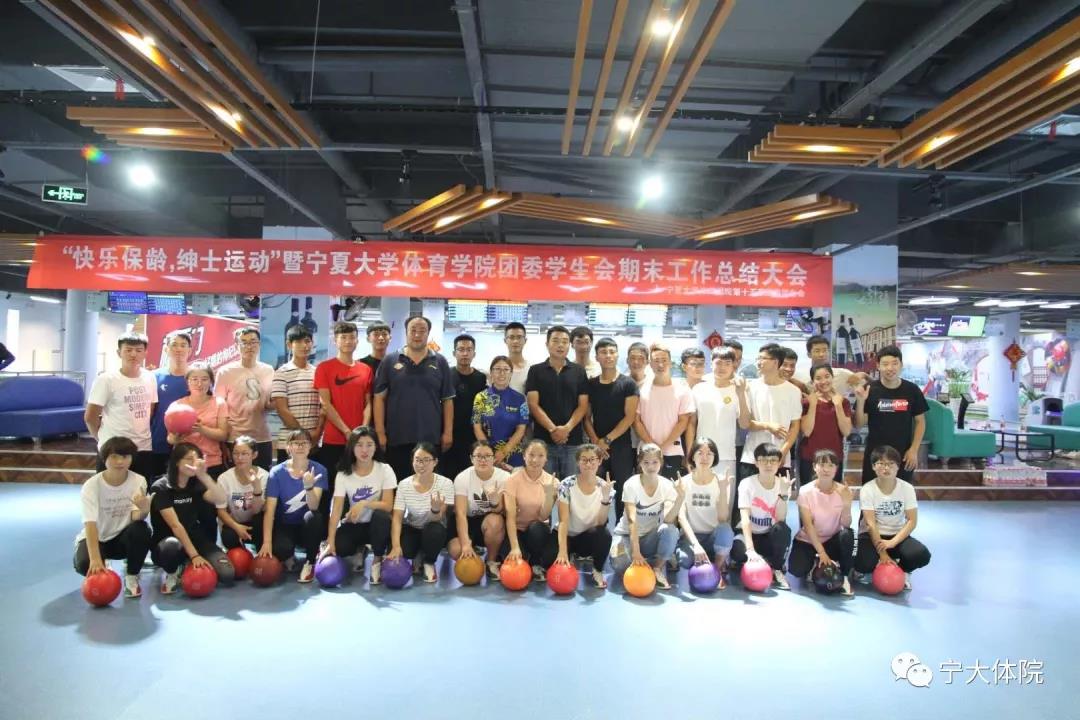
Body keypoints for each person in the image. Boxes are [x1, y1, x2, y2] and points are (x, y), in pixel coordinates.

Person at [373, 315, 455, 482]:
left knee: (428, 486)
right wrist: (380, 432)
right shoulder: (389, 361)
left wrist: (448, 432)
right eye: (413, 330)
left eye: (422, 331)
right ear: (406, 332)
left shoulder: (440, 362)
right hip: (397, 438)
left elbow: (448, 399)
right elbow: (379, 398)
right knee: (398, 486)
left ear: (428, 334)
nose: (417, 335)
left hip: (430, 439)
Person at [149, 443, 234, 594]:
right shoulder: (161, 487)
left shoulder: (196, 484)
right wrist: (195, 555)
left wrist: (204, 476)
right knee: (171, 547)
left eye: (197, 459)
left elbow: (220, 498)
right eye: (189, 459)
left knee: (227, 574)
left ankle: (186, 562)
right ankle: (174, 571)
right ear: (177, 461)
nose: (194, 463)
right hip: (168, 542)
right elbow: (175, 525)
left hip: (195, 537)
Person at [73, 436, 152, 599]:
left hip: (121, 539)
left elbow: (135, 517)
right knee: (84, 564)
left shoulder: (139, 481)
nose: (120, 462)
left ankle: (132, 576)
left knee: (142, 530)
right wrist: (95, 559)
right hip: (98, 538)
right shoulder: (91, 486)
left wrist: (144, 510)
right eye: (114, 456)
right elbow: (90, 524)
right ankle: (102, 560)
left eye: (125, 456)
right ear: (105, 458)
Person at [324, 426, 395, 584]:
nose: (364, 450)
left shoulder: (385, 469)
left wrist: (364, 503)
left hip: (376, 525)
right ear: (352, 447)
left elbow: (388, 505)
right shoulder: (343, 473)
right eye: (359, 445)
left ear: (375, 447)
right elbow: (336, 510)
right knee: (340, 546)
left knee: (382, 517)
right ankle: (359, 549)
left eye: (369, 445)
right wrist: (330, 540)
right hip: (354, 523)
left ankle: (377, 558)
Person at [854, 445, 931, 590]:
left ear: (898, 466)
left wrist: (892, 542)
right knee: (864, 564)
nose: (886, 468)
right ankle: (873, 565)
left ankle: (903, 571)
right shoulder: (867, 489)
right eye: (881, 463)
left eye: (891, 464)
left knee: (921, 555)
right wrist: (882, 553)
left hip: (896, 535)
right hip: (872, 536)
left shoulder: (907, 488)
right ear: (873, 467)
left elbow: (912, 521)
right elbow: (871, 524)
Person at [257, 429, 328, 584]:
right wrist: (267, 542)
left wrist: (309, 487)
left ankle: (310, 561)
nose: (300, 446)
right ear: (288, 447)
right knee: (280, 549)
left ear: (310, 446)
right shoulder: (276, 472)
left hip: (306, 526)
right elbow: (270, 510)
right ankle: (288, 556)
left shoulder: (319, 470)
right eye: (296, 443)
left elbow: (314, 506)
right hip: (285, 525)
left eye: (304, 443)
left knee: (314, 517)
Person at [85, 332, 158, 481]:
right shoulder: (106, 379)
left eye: (138, 350)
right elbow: (90, 417)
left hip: (143, 447)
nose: (133, 354)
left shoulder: (150, 377)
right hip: (113, 448)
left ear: (145, 353)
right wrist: (101, 438)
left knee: (140, 491)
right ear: (119, 353)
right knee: (108, 490)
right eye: (128, 350)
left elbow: (150, 410)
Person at [610, 443, 684, 589]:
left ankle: (657, 567)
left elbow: (668, 520)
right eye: (646, 462)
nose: (651, 467)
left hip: (650, 536)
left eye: (655, 462)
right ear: (640, 463)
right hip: (626, 535)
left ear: (661, 462)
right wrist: (635, 551)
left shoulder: (667, 485)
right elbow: (632, 520)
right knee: (619, 564)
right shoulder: (631, 484)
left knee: (671, 530)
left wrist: (680, 498)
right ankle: (658, 556)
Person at [854, 345, 928, 484]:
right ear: (878, 366)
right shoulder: (869, 390)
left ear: (901, 365)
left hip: (903, 455)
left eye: (894, 363)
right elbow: (858, 424)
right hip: (875, 455)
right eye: (885, 364)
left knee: (901, 493)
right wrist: (860, 401)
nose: (890, 368)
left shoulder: (912, 390)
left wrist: (914, 450)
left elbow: (920, 421)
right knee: (872, 493)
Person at [526, 325, 589, 480]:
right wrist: (553, 430)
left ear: (570, 345)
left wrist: (566, 429)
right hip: (543, 442)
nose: (560, 345)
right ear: (547, 344)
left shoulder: (579, 371)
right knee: (544, 486)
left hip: (573, 441)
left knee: (572, 486)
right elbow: (533, 404)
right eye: (555, 341)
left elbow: (583, 405)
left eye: (565, 341)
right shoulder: (535, 371)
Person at [584, 337, 638, 518]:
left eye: (612, 352)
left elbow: (629, 417)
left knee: (622, 490)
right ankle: (597, 528)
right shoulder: (591, 384)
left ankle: (623, 530)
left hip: (621, 447)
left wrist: (606, 441)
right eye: (603, 352)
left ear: (617, 355)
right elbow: (586, 418)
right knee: (596, 490)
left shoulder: (628, 383)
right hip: (596, 448)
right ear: (597, 357)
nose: (608, 355)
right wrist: (596, 443)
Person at [387, 442, 455, 583]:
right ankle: (417, 554)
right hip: (412, 527)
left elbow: (438, 518)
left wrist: (435, 509)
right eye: (417, 460)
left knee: (435, 531)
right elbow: (397, 518)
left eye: (426, 460)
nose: (421, 464)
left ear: (435, 462)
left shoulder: (446, 483)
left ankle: (429, 561)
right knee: (403, 551)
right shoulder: (404, 484)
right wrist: (396, 546)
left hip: (433, 528)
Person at [789, 449, 854, 596]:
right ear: (814, 467)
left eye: (831, 465)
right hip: (808, 540)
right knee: (796, 570)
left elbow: (846, 525)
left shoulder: (843, 491)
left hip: (832, 539)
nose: (826, 469)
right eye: (822, 464)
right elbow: (808, 525)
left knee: (848, 535)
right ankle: (814, 563)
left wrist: (847, 505)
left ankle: (844, 575)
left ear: (836, 468)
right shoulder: (805, 491)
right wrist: (821, 552)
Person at [730, 443, 794, 591]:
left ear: (779, 463)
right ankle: (757, 559)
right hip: (749, 534)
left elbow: (780, 519)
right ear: (756, 462)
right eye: (764, 460)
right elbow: (745, 518)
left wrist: (784, 494)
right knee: (737, 552)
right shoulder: (746, 483)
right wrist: (750, 548)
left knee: (782, 530)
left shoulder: (783, 484)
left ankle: (776, 568)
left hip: (768, 535)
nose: (768, 464)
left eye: (773, 460)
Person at [314, 321, 374, 476]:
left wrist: (362, 430)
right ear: (335, 341)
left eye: (352, 337)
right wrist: (347, 432)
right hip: (334, 439)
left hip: (360, 442)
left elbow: (368, 403)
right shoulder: (324, 368)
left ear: (357, 341)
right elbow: (325, 404)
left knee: (360, 483)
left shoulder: (366, 370)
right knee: (332, 484)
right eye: (343, 337)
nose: (348, 341)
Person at [674, 439, 736, 588]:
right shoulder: (683, 482)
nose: (705, 457)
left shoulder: (721, 481)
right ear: (692, 456)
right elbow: (681, 517)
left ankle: (717, 569)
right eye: (700, 453)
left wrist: (723, 490)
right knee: (684, 560)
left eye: (709, 454)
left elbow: (723, 518)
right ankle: (709, 557)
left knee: (726, 529)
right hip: (691, 537)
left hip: (713, 536)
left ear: (715, 457)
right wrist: (696, 545)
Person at [554, 444, 614, 589]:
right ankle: (569, 554)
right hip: (567, 536)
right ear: (577, 462)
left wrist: (606, 498)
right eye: (584, 459)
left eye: (592, 459)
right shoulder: (566, 485)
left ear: (599, 461)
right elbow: (563, 521)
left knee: (604, 534)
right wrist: (562, 551)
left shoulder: (605, 487)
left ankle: (597, 570)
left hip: (587, 537)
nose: (588, 464)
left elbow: (601, 523)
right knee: (550, 557)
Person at [687, 346, 751, 480]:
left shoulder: (739, 390)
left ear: (733, 365)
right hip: (701, 454)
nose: (722, 367)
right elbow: (691, 423)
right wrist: (689, 453)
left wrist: (741, 394)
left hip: (726, 455)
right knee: (701, 492)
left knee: (725, 493)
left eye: (727, 363)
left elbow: (744, 424)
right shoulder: (699, 389)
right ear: (711, 364)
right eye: (718, 363)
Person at [740, 344, 802, 483]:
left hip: (780, 458)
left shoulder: (793, 391)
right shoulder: (750, 388)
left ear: (775, 362)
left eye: (762, 358)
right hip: (752, 456)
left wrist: (783, 452)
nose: (758, 362)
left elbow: (795, 426)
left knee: (778, 495)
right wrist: (767, 426)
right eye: (757, 358)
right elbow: (745, 423)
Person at [448, 440, 510, 580]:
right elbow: (460, 514)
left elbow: (503, 511)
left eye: (487, 456)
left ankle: (491, 561)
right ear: (471, 459)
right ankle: (474, 557)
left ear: (494, 458)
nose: (483, 460)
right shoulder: (462, 478)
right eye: (478, 456)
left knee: (495, 521)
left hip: (489, 522)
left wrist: (494, 502)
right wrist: (465, 544)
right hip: (467, 521)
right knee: (457, 550)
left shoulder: (504, 478)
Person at [216, 328, 275, 470]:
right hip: (234, 437)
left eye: (253, 342)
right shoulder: (225, 372)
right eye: (244, 342)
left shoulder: (268, 370)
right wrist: (222, 442)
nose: (249, 346)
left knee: (263, 477)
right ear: (236, 345)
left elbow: (269, 403)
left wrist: (279, 402)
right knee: (235, 478)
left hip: (262, 436)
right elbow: (218, 407)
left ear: (259, 344)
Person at [634, 343, 695, 481]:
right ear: (650, 363)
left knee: (671, 490)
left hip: (673, 451)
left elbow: (683, 421)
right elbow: (636, 421)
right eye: (656, 361)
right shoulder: (641, 389)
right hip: (646, 452)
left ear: (670, 362)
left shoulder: (682, 389)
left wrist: (662, 446)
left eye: (664, 360)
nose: (660, 365)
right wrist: (652, 446)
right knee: (646, 489)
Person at [502, 439, 558, 581]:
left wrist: (549, 495)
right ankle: (521, 554)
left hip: (537, 530)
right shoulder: (512, 480)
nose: (535, 460)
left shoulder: (553, 482)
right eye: (531, 455)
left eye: (540, 456)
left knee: (538, 531)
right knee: (511, 555)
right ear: (524, 456)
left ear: (546, 459)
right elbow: (510, 516)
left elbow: (543, 516)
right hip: (516, 530)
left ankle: (535, 561)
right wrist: (515, 547)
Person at [165, 363, 229, 478]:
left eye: (204, 379)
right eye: (194, 379)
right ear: (188, 382)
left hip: (211, 463)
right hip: (184, 463)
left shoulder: (219, 403)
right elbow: (170, 438)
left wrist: (201, 429)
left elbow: (223, 435)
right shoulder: (177, 405)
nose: (199, 384)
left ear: (211, 382)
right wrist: (176, 438)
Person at [271, 324, 322, 464]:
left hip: (314, 443)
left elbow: (323, 407)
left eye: (307, 341)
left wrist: (316, 435)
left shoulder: (317, 372)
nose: (304, 345)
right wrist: (304, 438)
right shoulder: (281, 373)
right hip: (290, 443)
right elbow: (282, 410)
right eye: (298, 342)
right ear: (289, 345)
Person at [799, 364, 853, 487]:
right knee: (809, 495)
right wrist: (813, 405)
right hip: (810, 458)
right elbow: (807, 431)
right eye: (818, 378)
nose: (823, 381)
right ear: (813, 381)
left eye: (827, 376)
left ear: (832, 378)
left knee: (833, 495)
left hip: (834, 459)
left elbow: (846, 431)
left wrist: (838, 406)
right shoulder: (807, 402)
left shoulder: (843, 402)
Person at [472, 356, 529, 470]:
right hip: (487, 456)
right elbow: (477, 427)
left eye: (506, 369)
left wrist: (503, 452)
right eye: (497, 369)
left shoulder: (520, 399)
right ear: (491, 373)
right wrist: (489, 453)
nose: (501, 373)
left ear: (511, 373)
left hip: (513, 455)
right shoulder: (480, 397)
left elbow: (521, 429)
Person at [443, 334, 488, 479]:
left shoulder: (481, 378)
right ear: (454, 353)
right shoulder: (446, 376)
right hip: (450, 435)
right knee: (449, 475)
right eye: (461, 349)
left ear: (474, 353)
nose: (465, 353)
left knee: (470, 476)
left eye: (469, 350)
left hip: (473, 436)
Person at [149, 331, 192, 479]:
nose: (178, 349)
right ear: (166, 349)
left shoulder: (197, 377)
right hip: (159, 442)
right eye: (174, 345)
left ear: (189, 350)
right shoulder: (154, 377)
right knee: (158, 485)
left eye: (183, 345)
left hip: (190, 443)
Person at [217, 436, 269, 553]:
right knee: (229, 537)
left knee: (260, 522)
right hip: (235, 523)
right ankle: (240, 553)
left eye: (245, 453)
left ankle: (260, 553)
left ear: (254, 455)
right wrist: (237, 527)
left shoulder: (264, 476)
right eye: (236, 453)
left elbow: (257, 510)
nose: (239, 458)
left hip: (257, 521)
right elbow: (221, 511)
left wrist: (256, 488)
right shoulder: (224, 478)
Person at [792, 335, 858, 396]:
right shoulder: (799, 376)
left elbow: (861, 387)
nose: (821, 354)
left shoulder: (843, 374)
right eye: (817, 351)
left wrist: (862, 376)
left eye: (825, 350)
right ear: (809, 354)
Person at [503, 322, 530, 395]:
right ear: (505, 340)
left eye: (519, 337)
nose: (515, 341)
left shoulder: (532, 369)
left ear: (525, 340)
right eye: (511, 337)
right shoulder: (496, 369)